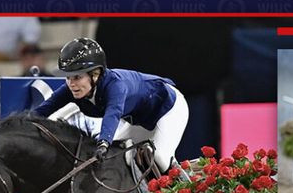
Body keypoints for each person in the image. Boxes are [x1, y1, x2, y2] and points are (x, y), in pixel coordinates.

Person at [33, 37, 189, 176]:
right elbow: (44, 109)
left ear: (95, 74)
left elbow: (113, 114)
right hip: (140, 120)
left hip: (169, 108)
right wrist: (21, 123)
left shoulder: (116, 86)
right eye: (68, 77)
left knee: (160, 158)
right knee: (122, 156)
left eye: (77, 77)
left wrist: (103, 143)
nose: (71, 83)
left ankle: (186, 190)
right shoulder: (73, 88)